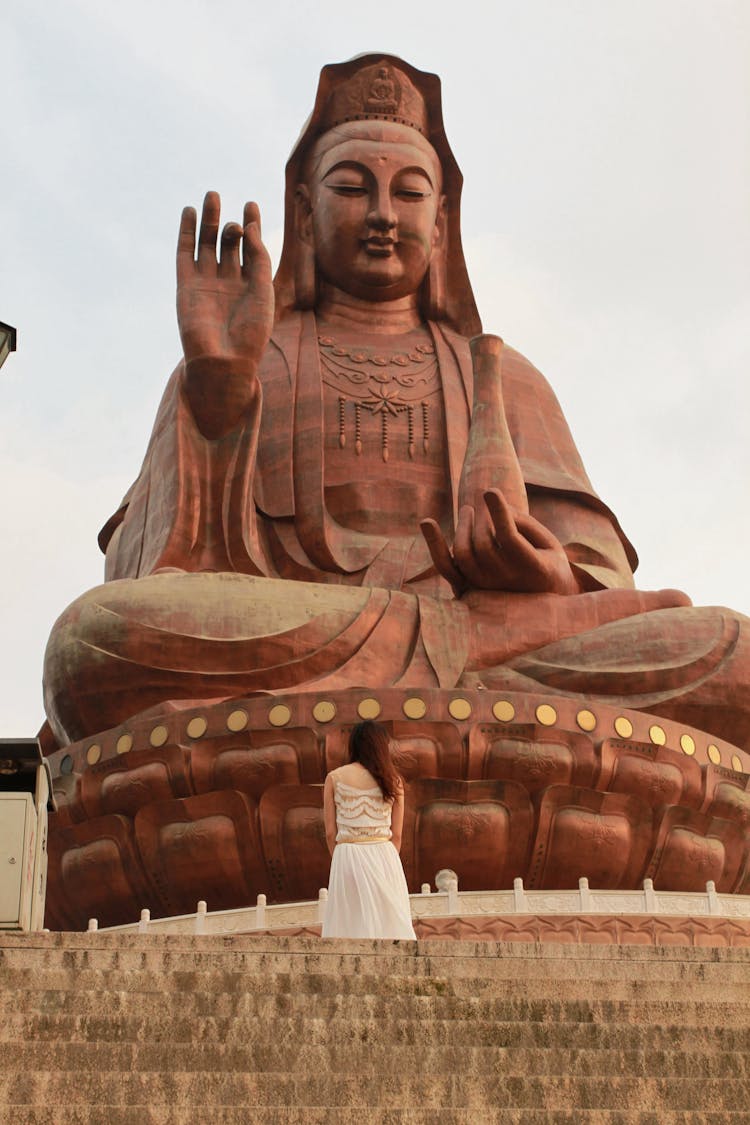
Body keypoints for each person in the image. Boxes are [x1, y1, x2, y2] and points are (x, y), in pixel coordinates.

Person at [42, 53, 750, 756]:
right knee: (93, 639)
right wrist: (217, 394)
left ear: (441, 222)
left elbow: (601, 577)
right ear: (305, 212)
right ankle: (468, 659)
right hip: (316, 634)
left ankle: (466, 656)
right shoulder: (246, 357)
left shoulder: (505, 379)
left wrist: (551, 575)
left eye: (408, 194)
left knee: (731, 651)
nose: (383, 215)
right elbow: (151, 573)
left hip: (477, 650)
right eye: (352, 188)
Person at [321, 721, 415, 940]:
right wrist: (386, 857)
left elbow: (329, 832)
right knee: (390, 924)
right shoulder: (393, 780)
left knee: (349, 923)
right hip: (384, 853)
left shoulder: (334, 777)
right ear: (383, 747)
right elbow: (398, 834)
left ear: (353, 745)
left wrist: (342, 858)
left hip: (348, 852)